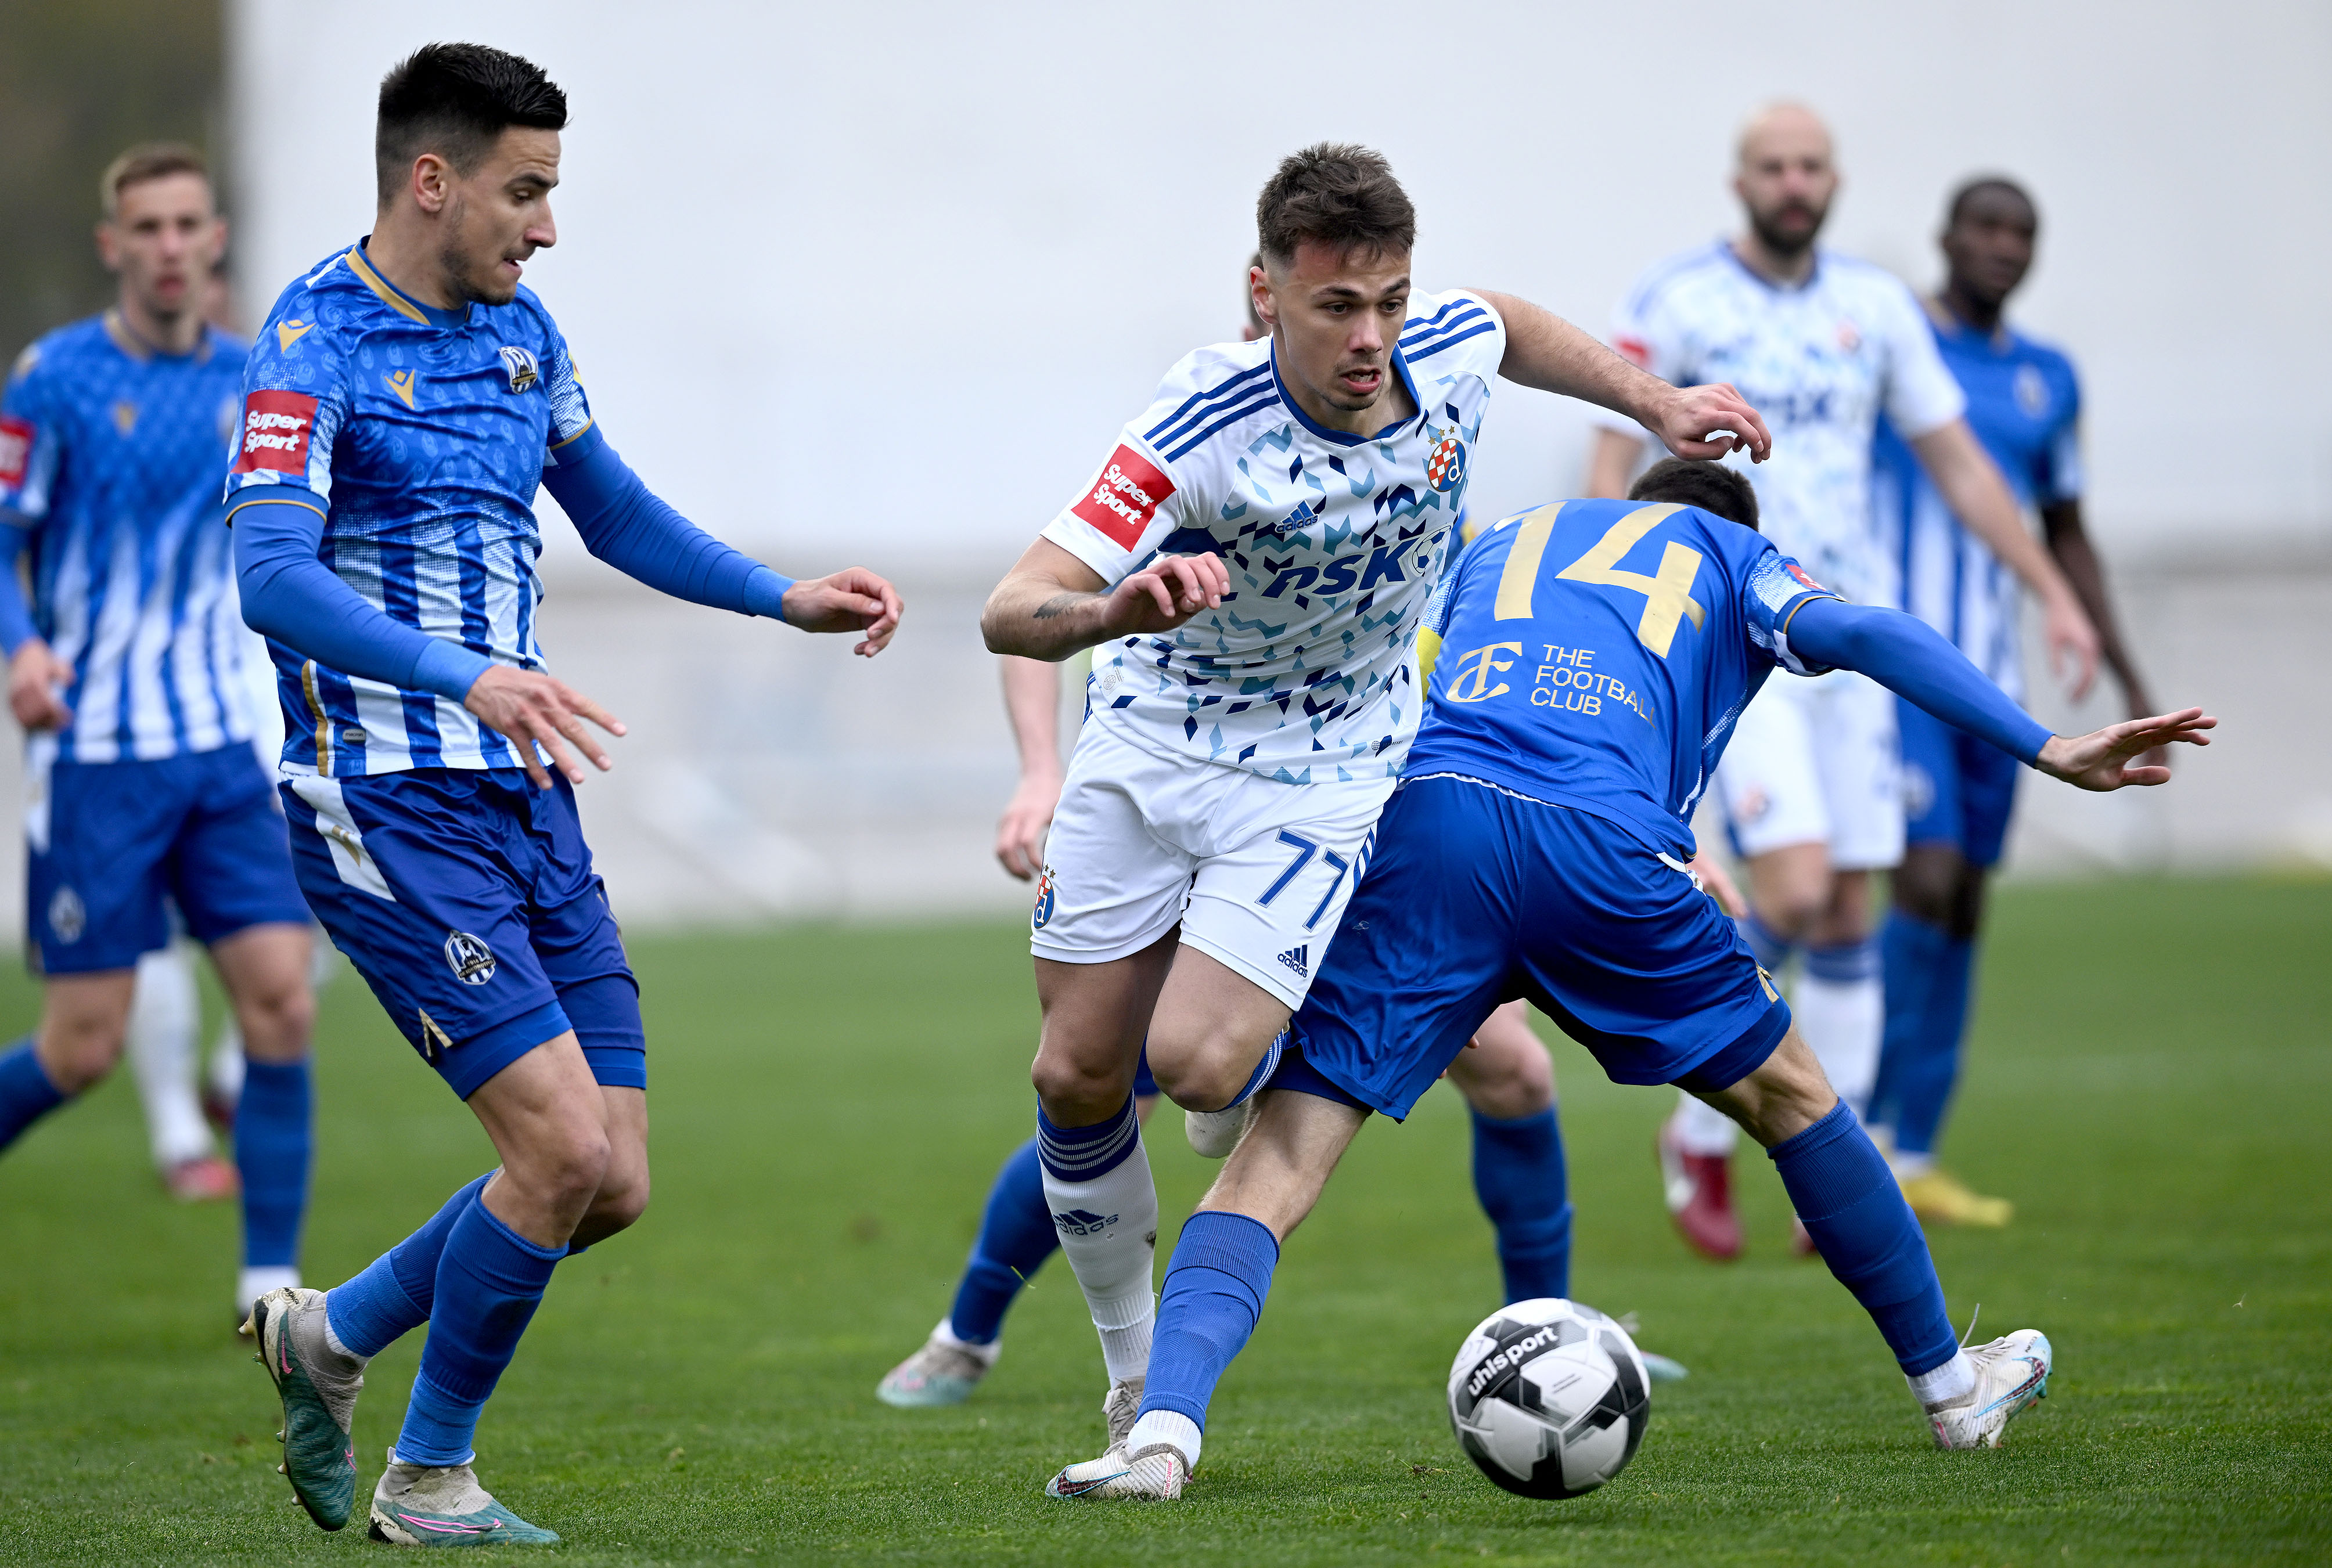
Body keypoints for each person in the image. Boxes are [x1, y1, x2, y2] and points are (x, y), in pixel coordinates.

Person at [1046, 458, 2211, 1498]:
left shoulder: (1512, 535)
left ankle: (1161, 1436)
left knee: (1280, 1159)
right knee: (1794, 1098)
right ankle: (1954, 1389)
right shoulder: (1732, 553)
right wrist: (2046, 745)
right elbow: (1863, 631)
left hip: (1435, 831)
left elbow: (1383, 678)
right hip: (1601, 850)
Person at [980, 142, 1769, 1453]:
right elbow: (1014, 608)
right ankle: (1127, 1372)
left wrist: (1657, 404)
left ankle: (1262, 1036)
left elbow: (1504, 322)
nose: (1372, 337)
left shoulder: (1441, 348)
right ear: (1264, 294)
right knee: (1074, 1073)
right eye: (1337, 305)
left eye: (1390, 301)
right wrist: (1119, 607)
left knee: (1198, 1063)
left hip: (1328, 767)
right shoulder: (1196, 425)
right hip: (1153, 741)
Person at [229, 45, 902, 1546]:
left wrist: (776, 594)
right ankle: (430, 1477)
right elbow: (269, 575)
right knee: (559, 1152)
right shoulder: (311, 343)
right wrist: (464, 674)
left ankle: (327, 1334)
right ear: (432, 180)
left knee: (614, 1178)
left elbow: (612, 509)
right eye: (525, 191)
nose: (546, 226)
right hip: (386, 798)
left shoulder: (524, 332)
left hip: (524, 795)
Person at [1584, 103, 2101, 1260]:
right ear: (1740, 182)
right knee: (1800, 884)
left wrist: (2052, 591)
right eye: (1772, 165)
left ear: (1834, 180)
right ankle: (1698, 1132)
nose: (1792, 182)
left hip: (1841, 636)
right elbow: (1613, 458)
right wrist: (1613, 603)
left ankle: (1841, 1169)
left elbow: (1960, 464)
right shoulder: (1676, 300)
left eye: (1809, 165)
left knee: (1851, 907)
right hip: (1728, 633)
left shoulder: (1875, 308)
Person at [0, 142, 322, 1319]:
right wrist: (20, 648)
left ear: (216, 239)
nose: (170, 247)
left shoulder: (257, 379)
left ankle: (270, 1289)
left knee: (282, 999)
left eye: (189, 224)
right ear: (114, 246)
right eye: (148, 228)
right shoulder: (56, 378)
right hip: (96, 756)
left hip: (220, 751)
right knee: (83, 1046)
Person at [1866, 178, 2155, 1225]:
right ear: (1945, 238)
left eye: (2021, 233)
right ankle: (1855, 1140)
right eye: (1984, 228)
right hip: (1895, 671)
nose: (2002, 246)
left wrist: (2126, 673)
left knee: (1967, 902)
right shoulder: (1892, 346)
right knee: (1925, 877)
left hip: (1993, 676)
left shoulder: (2048, 378)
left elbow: (2066, 528)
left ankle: (1916, 1152)